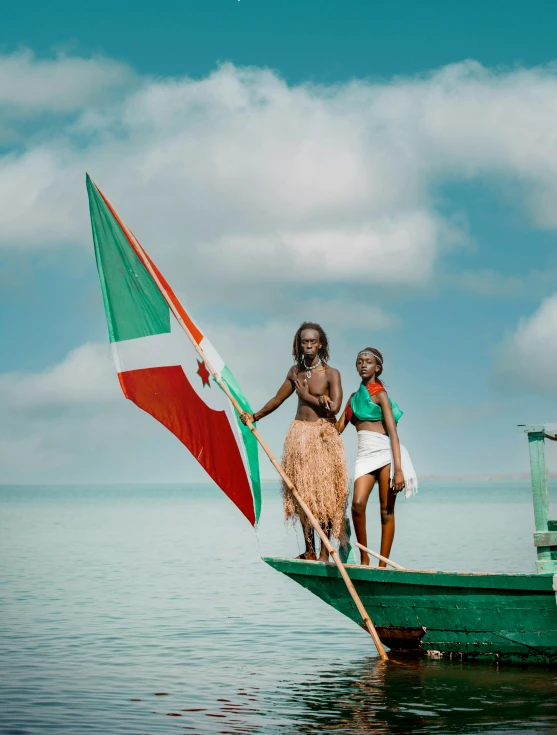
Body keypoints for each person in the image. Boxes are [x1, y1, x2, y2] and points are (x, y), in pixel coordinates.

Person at [240, 322, 348, 562]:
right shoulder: (295, 372)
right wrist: (254, 416)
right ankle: (309, 550)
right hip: (298, 437)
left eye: (313, 342)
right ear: (299, 345)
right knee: (302, 495)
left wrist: (307, 396)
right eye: (304, 342)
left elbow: (335, 407)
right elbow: (277, 399)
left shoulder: (331, 374)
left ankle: (324, 553)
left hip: (322, 437)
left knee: (324, 496)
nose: (308, 346)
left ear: (321, 345)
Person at [336, 348, 417, 566]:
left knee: (386, 510)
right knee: (357, 504)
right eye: (360, 361)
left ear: (377, 367)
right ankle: (364, 558)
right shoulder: (353, 399)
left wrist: (398, 470)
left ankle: (382, 565)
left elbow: (393, 433)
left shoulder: (381, 395)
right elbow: (337, 429)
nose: (363, 365)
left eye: (368, 362)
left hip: (387, 454)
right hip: (364, 456)